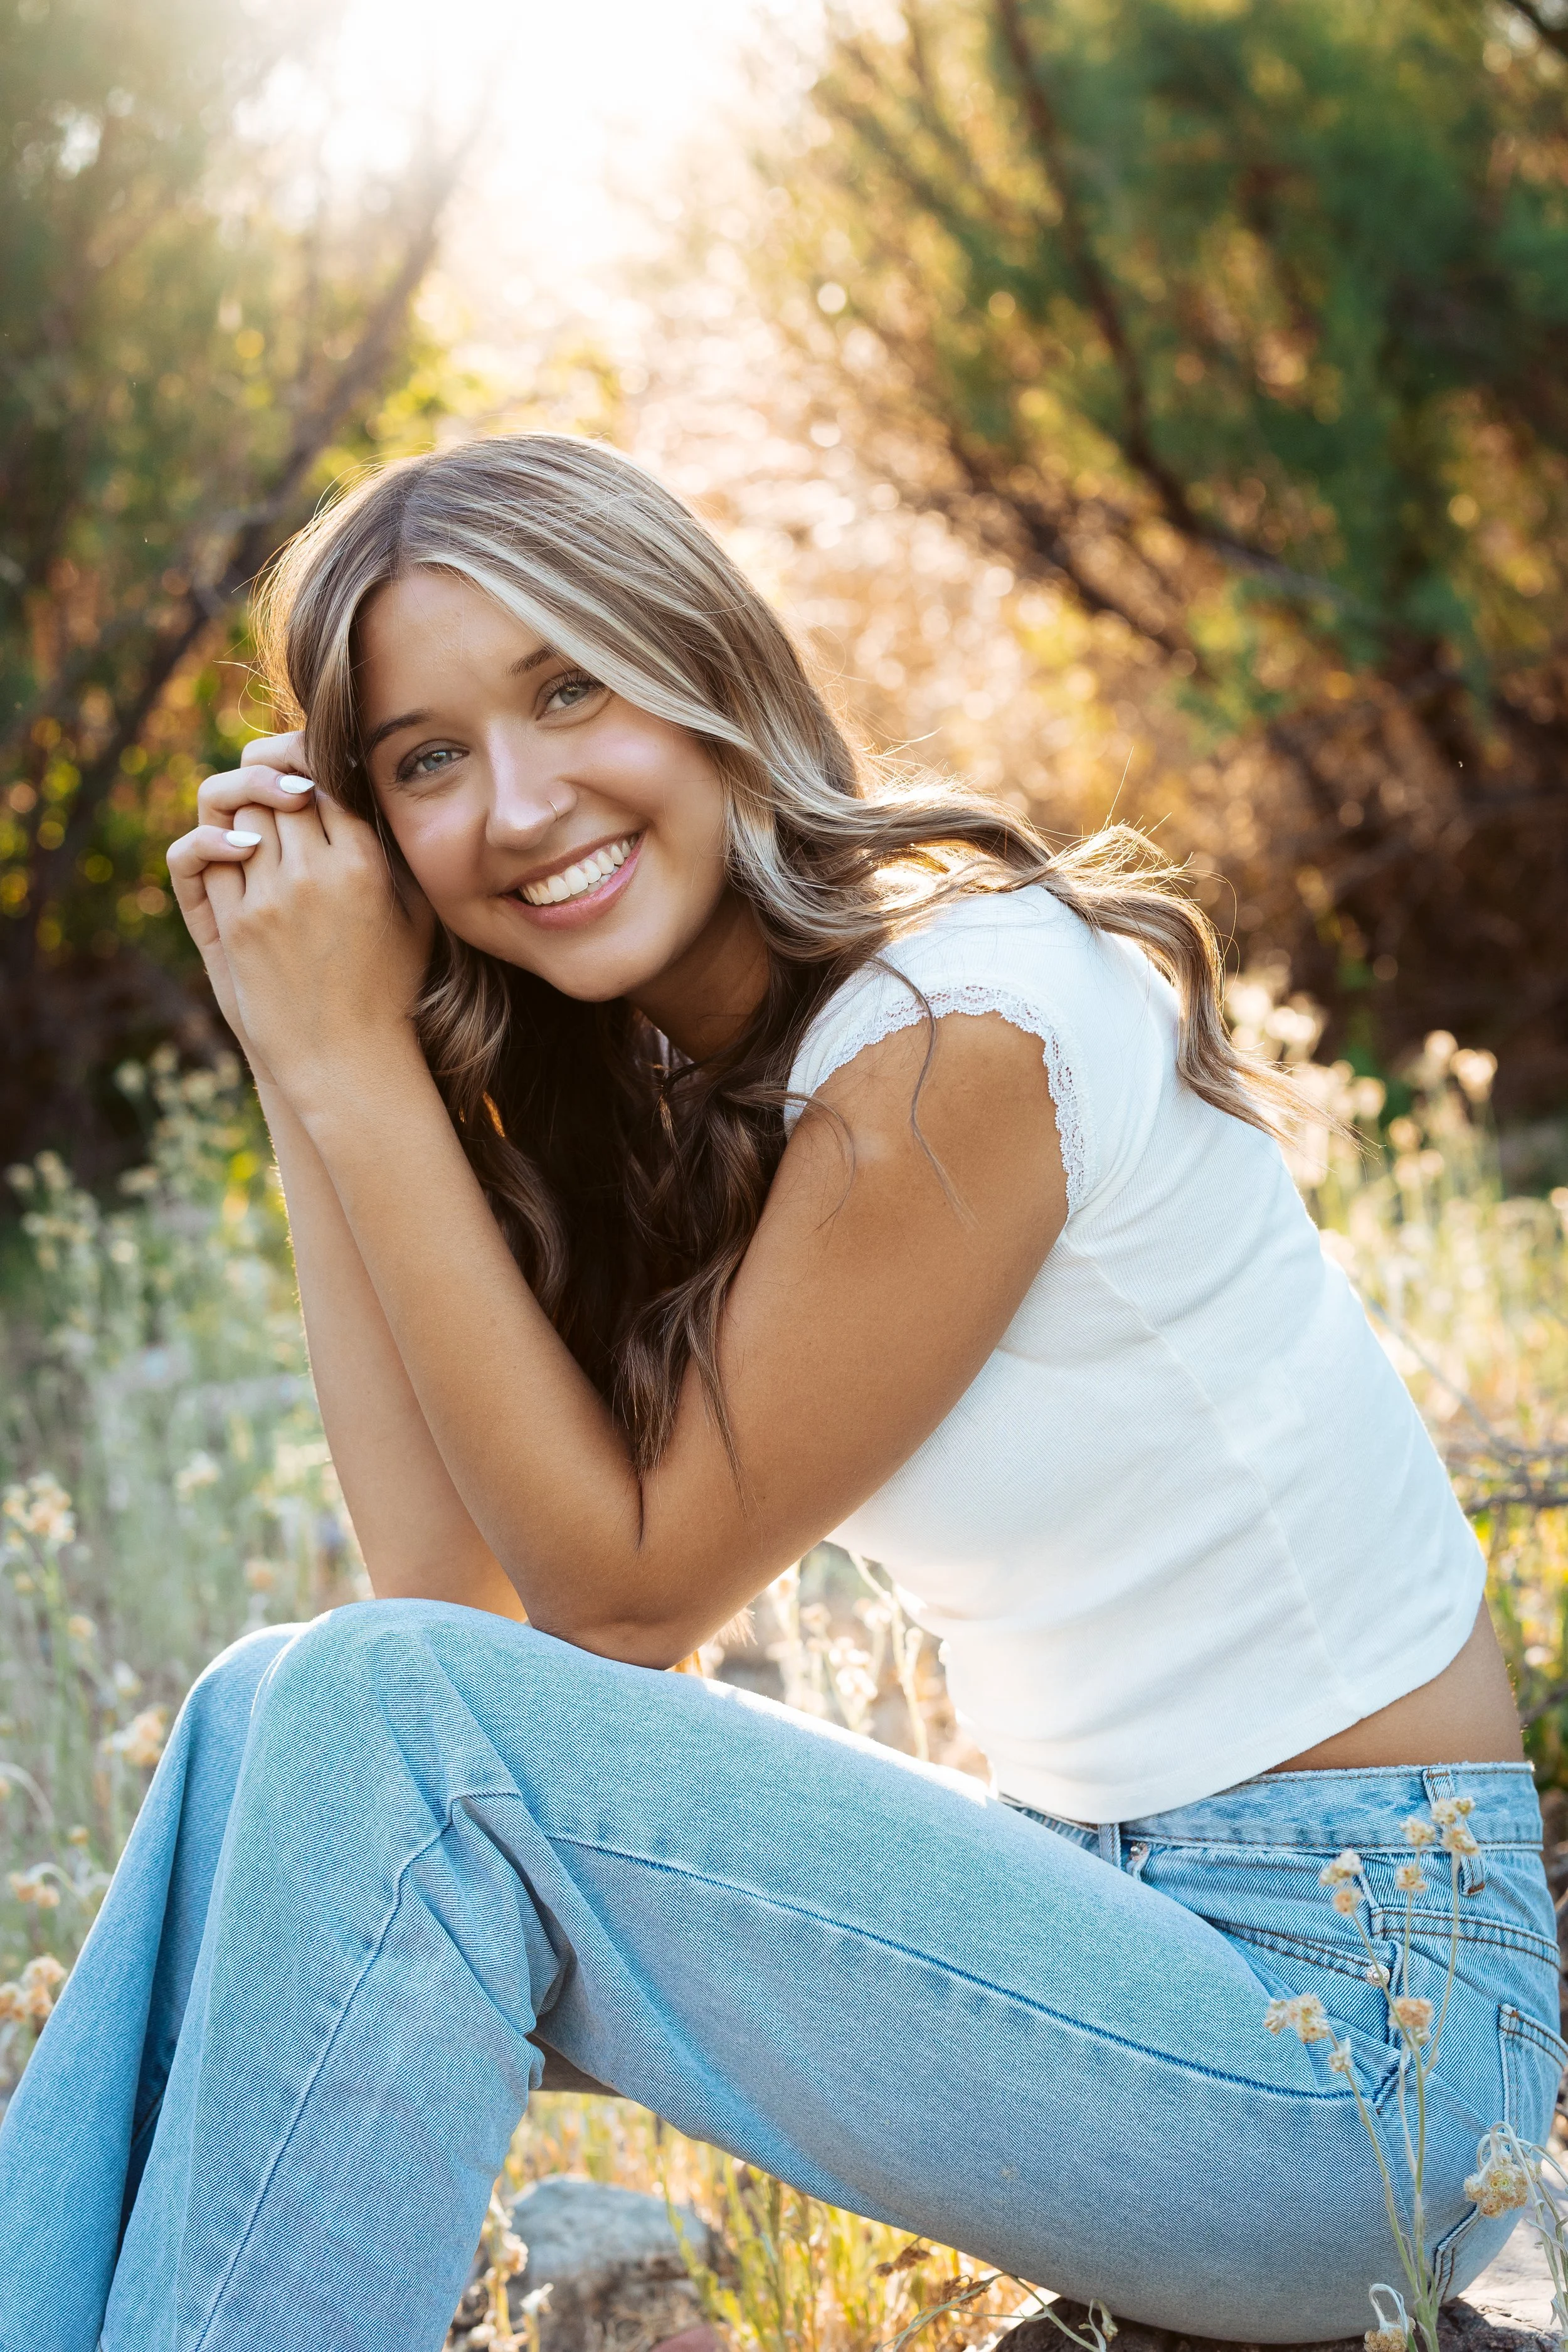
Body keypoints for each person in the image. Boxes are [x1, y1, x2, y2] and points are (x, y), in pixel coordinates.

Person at [0, 435, 1555, 2352]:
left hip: (1354, 2046)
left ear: (704, 667)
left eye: (568, 686)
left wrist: (354, 1069)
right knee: (274, 1706)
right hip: (1112, 1945)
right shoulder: (684, 1090)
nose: (517, 798)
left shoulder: (958, 1026)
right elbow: (446, 1593)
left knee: (367, 1708)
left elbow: (620, 1602)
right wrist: (301, 1048)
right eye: (424, 757)